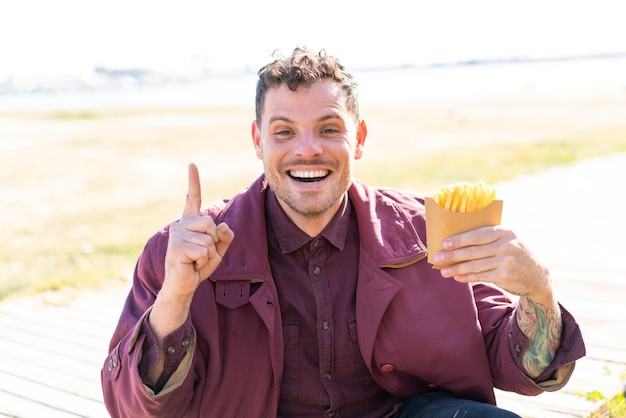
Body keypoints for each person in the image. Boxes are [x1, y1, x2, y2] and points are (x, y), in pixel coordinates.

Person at [101, 46, 585, 418]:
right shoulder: (176, 253)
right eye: (284, 131)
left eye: (330, 129)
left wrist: (537, 293)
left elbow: (520, 366)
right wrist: (175, 299)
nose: (307, 150)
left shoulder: (426, 231)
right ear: (258, 141)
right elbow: (135, 407)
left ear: (360, 139)